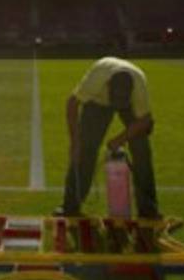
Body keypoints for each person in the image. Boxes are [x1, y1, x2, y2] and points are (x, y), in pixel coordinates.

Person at [57, 57, 159, 219]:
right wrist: (75, 142)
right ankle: (70, 206)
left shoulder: (138, 84)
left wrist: (120, 138)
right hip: (98, 102)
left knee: (141, 151)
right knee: (85, 149)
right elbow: (72, 103)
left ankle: (148, 209)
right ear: (108, 85)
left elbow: (145, 120)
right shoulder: (96, 81)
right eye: (116, 98)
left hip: (130, 106)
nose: (117, 104)